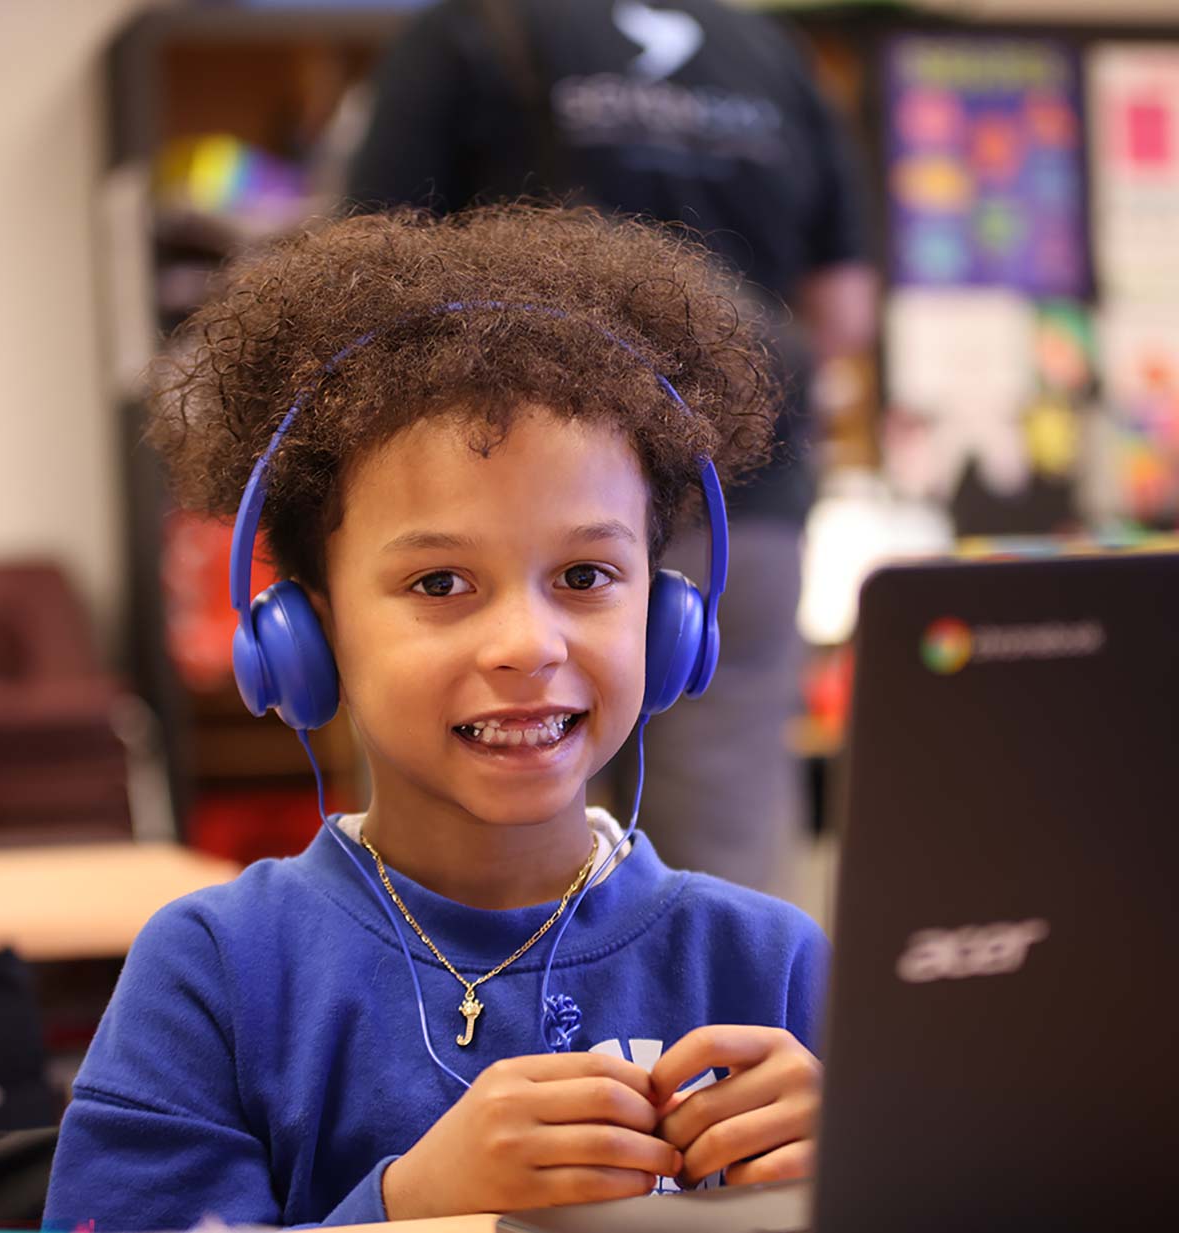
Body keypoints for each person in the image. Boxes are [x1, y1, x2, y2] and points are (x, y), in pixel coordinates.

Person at [43, 205, 827, 1228]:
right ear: (310, 635)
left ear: (670, 619)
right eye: (441, 582)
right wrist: (411, 1207)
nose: (526, 644)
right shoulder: (219, 972)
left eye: (586, 575)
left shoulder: (771, 966)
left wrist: (863, 1179)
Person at [346, 0, 877, 894]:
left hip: (506, 514)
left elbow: (368, 284)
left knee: (499, 832)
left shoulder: (473, 33)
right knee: (728, 853)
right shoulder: (772, 55)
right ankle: (728, 1034)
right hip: (739, 503)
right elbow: (842, 312)